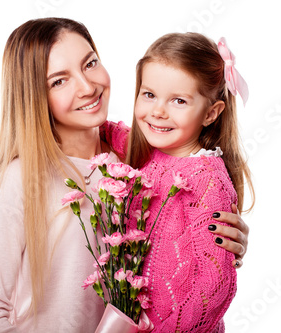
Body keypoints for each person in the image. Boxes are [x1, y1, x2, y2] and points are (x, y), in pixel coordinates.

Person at [0, 18, 249, 333]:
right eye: (59, 81)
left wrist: (214, 248)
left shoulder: (134, 162)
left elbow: (171, 254)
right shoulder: (23, 179)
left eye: (90, 64)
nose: (87, 87)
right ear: (35, 97)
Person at [102, 32, 255, 331]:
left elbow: (213, 288)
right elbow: (109, 131)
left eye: (179, 100)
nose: (158, 111)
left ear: (211, 113)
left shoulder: (207, 179)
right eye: (149, 94)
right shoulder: (143, 150)